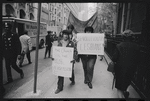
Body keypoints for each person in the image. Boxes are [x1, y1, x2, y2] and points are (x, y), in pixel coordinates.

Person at [111, 29, 140, 98]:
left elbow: (114, 58)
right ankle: (126, 90)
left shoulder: (119, 46)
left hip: (120, 68)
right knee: (128, 81)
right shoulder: (137, 46)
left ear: (123, 37)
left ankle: (121, 96)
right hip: (132, 68)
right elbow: (138, 59)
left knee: (119, 86)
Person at [52, 30, 77, 94]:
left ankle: (72, 79)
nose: (65, 35)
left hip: (69, 62)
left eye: (67, 34)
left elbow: (75, 51)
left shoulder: (72, 43)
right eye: (64, 34)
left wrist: (74, 58)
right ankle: (59, 87)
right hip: (61, 62)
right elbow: (56, 51)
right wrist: (53, 57)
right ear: (62, 35)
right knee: (60, 73)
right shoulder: (59, 43)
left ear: (69, 36)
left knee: (70, 72)